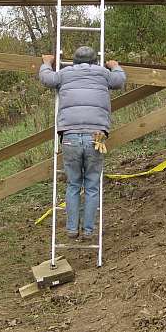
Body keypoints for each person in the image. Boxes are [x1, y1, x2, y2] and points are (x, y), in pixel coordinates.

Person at [39, 46, 126, 239]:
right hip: (96, 136)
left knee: (73, 184)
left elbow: (47, 79)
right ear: (96, 61)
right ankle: (88, 231)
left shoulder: (64, 73)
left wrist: (46, 63)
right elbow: (119, 80)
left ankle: (71, 229)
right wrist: (115, 66)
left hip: (69, 136)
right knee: (92, 185)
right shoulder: (103, 73)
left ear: (75, 61)